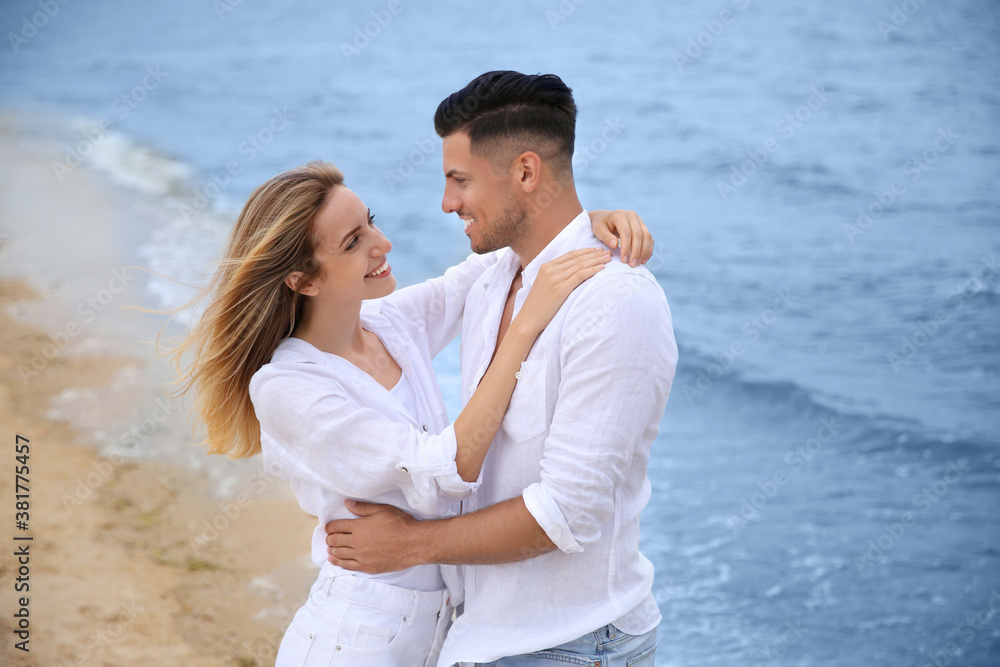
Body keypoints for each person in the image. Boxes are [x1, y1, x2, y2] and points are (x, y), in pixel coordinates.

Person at [169, 159, 655, 666]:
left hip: (444, 633)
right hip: (355, 639)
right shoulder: (288, 387)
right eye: (353, 242)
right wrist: (524, 330)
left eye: (371, 221)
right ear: (302, 279)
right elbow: (447, 467)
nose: (382, 244)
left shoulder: (390, 324)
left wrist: (588, 224)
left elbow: (492, 265)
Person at [325, 71, 678, 666]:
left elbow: (564, 514)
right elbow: (358, 323)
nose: (447, 203)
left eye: (459, 180)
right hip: (483, 635)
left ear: (525, 172)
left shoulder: (615, 303)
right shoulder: (491, 279)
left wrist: (410, 545)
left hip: (574, 643)